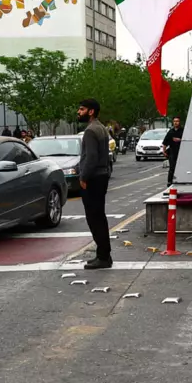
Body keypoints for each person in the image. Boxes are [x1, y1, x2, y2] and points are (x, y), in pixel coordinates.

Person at [77, 99, 112, 270]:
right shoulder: (102, 128)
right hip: (102, 176)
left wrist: (83, 177)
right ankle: (104, 254)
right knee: (99, 216)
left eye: (82, 109)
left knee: (94, 218)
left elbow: (91, 157)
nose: (79, 112)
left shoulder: (91, 131)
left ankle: (103, 257)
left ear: (91, 112)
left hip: (93, 178)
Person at [162, 117, 184, 187]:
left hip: (181, 151)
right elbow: (165, 142)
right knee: (172, 167)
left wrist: (180, 140)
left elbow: (187, 140)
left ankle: (181, 180)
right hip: (172, 151)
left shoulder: (183, 131)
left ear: (179, 122)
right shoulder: (171, 132)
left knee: (181, 167)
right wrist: (164, 150)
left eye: (177, 121)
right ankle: (169, 181)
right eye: (174, 121)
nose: (175, 123)